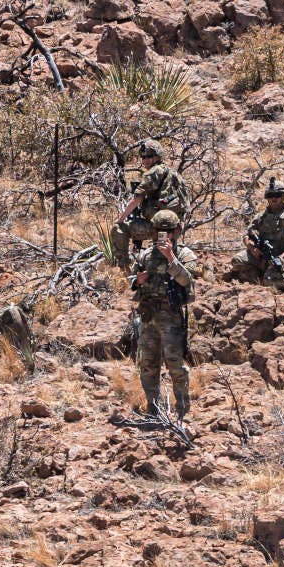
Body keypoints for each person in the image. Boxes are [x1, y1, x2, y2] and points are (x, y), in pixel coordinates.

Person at [131, 208, 196, 419]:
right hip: (149, 315)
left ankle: (182, 407)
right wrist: (137, 281)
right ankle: (153, 406)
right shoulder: (145, 255)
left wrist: (171, 257)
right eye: (160, 231)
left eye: (168, 231)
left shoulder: (184, 255)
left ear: (176, 231)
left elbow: (187, 281)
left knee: (175, 363)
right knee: (148, 364)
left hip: (172, 317)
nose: (164, 235)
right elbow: (132, 282)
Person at [108, 139, 185, 269]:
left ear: (157, 156)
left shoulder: (153, 173)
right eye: (143, 157)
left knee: (119, 229)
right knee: (164, 261)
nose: (145, 160)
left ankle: (123, 269)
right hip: (175, 229)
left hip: (156, 228)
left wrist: (120, 220)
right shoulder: (174, 174)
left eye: (149, 156)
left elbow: (136, 199)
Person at [232, 179, 284, 288]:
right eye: (270, 195)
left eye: (277, 195)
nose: (274, 198)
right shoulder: (261, 217)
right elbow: (247, 234)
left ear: (283, 197)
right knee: (237, 261)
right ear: (267, 198)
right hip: (262, 255)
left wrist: (282, 257)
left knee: (275, 283)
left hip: (283, 257)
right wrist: (252, 248)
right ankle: (260, 275)